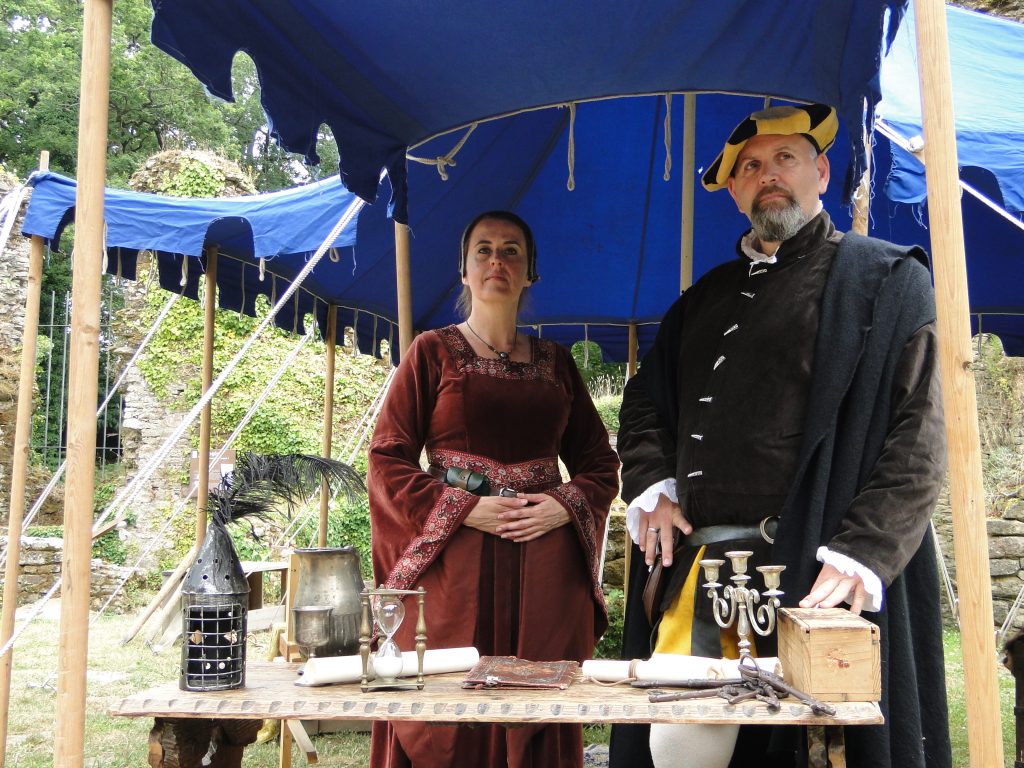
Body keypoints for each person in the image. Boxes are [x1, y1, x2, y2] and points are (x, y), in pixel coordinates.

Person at [609, 104, 951, 768]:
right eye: (750, 166)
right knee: (680, 745)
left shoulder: (886, 281)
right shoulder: (699, 302)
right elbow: (643, 403)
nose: (768, 175)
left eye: (785, 159)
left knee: (816, 751)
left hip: (822, 569)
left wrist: (864, 550)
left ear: (820, 173)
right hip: (706, 569)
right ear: (735, 192)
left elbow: (919, 436)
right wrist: (654, 484)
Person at [368, 210, 620, 768]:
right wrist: (463, 508)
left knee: (537, 706)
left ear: (531, 272)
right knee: (447, 700)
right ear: (463, 270)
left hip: (543, 573)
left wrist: (561, 506)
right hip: (456, 568)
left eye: (511, 251)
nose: (496, 261)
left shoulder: (557, 364)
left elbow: (601, 464)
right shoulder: (431, 352)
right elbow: (387, 458)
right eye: (483, 250)